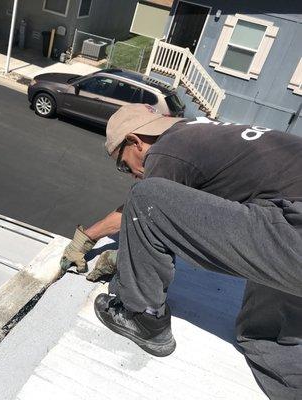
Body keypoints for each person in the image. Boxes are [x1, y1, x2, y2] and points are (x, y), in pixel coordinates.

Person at [60, 103, 302, 399]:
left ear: (136, 141)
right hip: (286, 226)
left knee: (144, 196)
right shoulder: (198, 131)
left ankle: (143, 319)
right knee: (264, 334)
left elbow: (146, 207)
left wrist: (91, 239)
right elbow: (187, 212)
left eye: (123, 164)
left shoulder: (167, 151)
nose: (130, 174)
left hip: (292, 228)